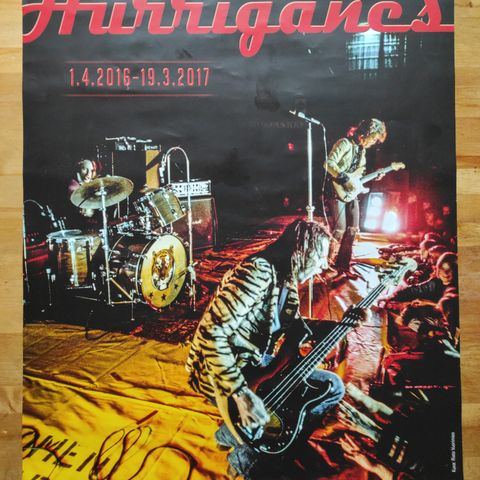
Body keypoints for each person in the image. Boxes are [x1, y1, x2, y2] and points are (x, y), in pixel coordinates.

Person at [186, 219, 364, 479]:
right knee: (273, 407)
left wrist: (342, 324)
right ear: (302, 249)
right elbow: (212, 334)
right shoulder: (256, 272)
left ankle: (239, 434)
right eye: (320, 256)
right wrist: (241, 393)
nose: (323, 265)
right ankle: (245, 459)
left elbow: (294, 324)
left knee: (333, 387)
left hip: (253, 361)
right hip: (222, 371)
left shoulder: (285, 279)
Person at [325, 119, 387, 276]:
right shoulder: (344, 143)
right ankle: (325, 263)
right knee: (339, 229)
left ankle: (343, 265)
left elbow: (358, 175)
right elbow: (329, 163)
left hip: (351, 192)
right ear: (366, 134)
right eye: (373, 138)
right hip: (337, 190)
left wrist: (374, 175)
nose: (373, 142)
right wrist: (345, 179)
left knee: (352, 229)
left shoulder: (362, 150)